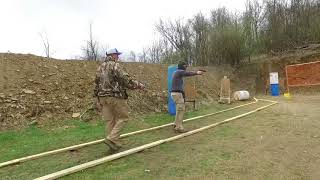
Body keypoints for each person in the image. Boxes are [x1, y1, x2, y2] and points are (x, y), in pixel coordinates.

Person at [94, 48, 145, 152]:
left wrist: (97, 99)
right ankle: (112, 138)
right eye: (117, 55)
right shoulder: (115, 65)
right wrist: (138, 85)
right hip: (115, 96)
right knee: (123, 118)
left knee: (110, 121)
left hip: (103, 98)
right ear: (112, 55)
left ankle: (113, 143)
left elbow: (96, 84)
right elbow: (125, 79)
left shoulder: (100, 68)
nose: (118, 57)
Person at [171, 61, 204, 133]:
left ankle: (176, 124)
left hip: (175, 93)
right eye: (185, 66)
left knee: (178, 109)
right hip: (177, 94)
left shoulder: (176, 72)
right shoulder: (179, 72)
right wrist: (197, 73)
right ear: (182, 66)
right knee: (181, 109)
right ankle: (178, 127)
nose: (186, 68)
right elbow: (187, 73)